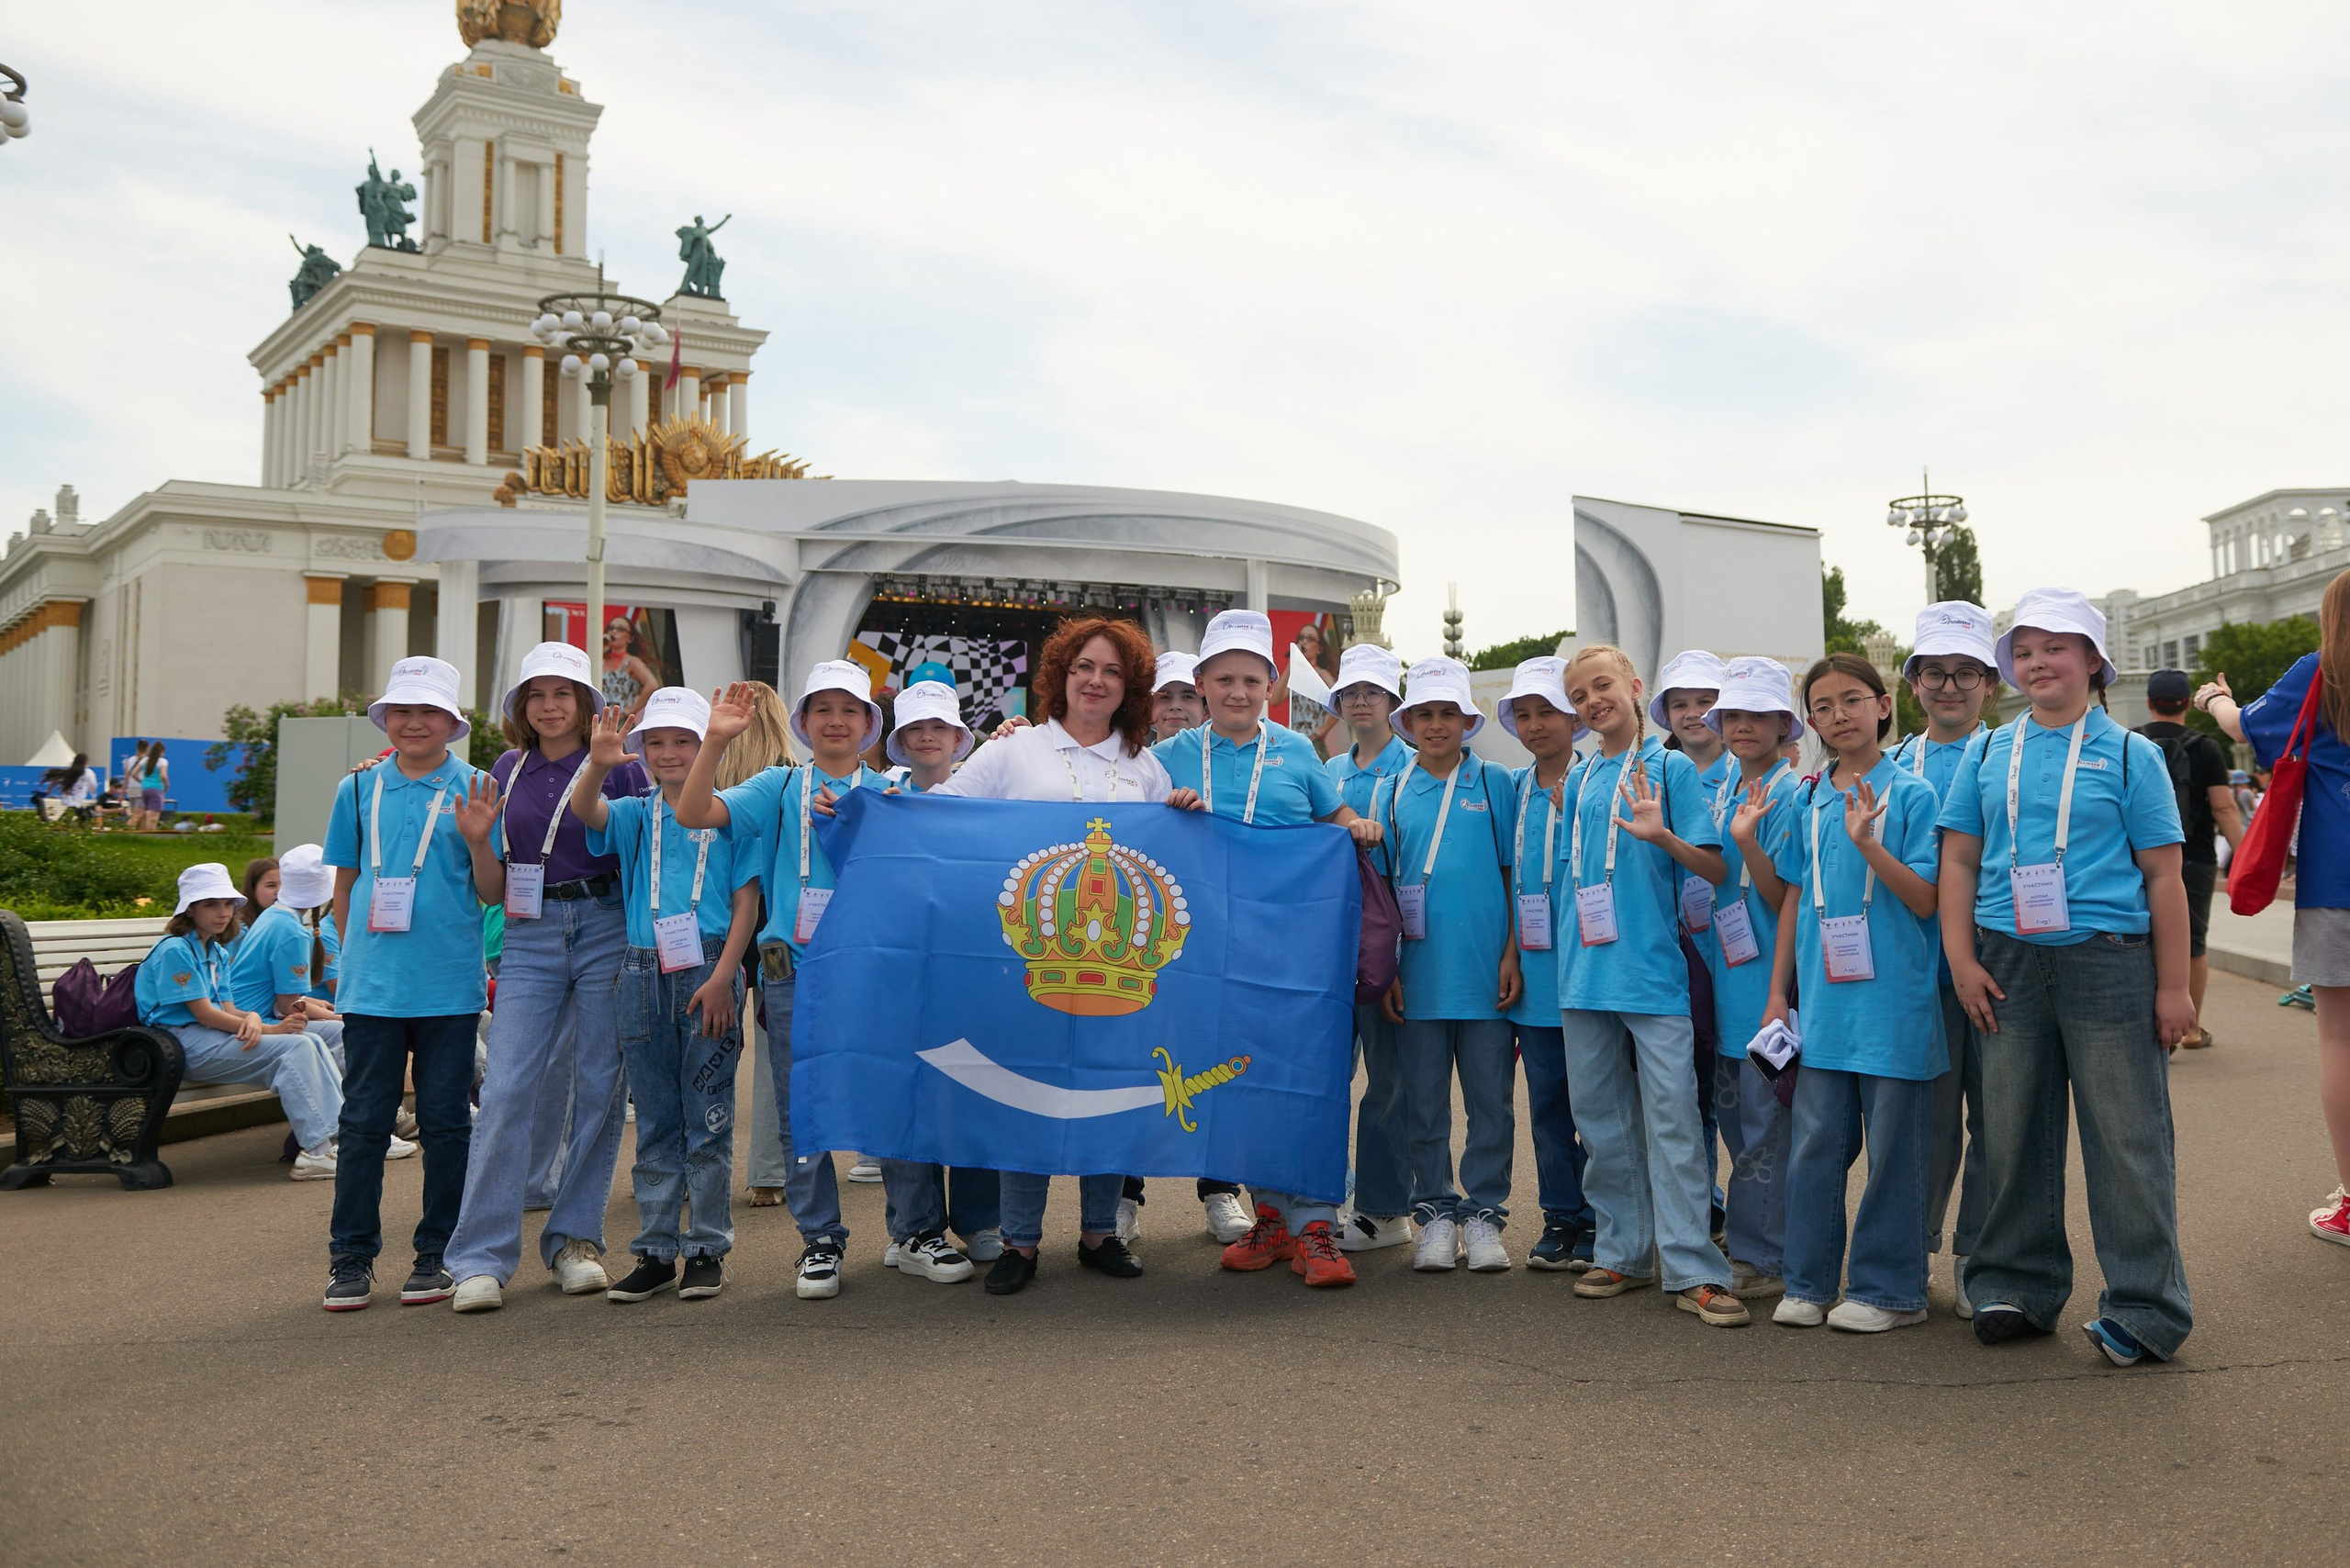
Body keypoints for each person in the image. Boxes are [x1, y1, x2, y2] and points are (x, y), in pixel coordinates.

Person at [1939, 588, 2193, 1366]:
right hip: (2006, 959)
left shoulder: (2129, 753)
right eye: (2023, 649)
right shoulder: (1987, 750)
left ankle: (2145, 1308)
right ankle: (2013, 1284)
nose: (2037, 661)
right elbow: (1959, 859)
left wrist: (2174, 987)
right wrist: (1962, 960)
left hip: (2109, 961)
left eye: (2056, 646)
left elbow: (2163, 877)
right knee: (2012, 1131)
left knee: (2127, 1137)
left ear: (2092, 661)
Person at [916, 616, 1174, 1294]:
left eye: (1113, 671)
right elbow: (941, 811)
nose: (1096, 680)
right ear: (1060, 674)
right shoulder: (1013, 752)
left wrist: (1184, 811)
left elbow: (1170, 860)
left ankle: (1099, 1233)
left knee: (1103, 1091)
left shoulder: (1145, 767)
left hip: (1115, 972)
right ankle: (1019, 1242)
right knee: (1024, 1094)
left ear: (1131, 688)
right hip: (1022, 964)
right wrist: (869, 806)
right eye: (1084, 666)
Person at [1161, 610, 1382, 1288]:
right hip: (1207, 957)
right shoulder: (1168, 756)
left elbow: (1335, 816)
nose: (1237, 691)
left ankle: (1317, 1222)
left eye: (1251, 680)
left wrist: (1358, 825)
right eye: (1223, 679)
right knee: (1240, 1079)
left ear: (1271, 686)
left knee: (1306, 1077)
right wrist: (1170, 807)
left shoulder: (1293, 752)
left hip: (1296, 953)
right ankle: (1273, 1218)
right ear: (1201, 684)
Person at [677, 661, 905, 1300]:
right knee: (799, 1110)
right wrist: (716, 740)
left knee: (886, 1096)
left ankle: (913, 1230)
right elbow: (695, 811)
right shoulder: (778, 786)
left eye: (850, 710)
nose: (836, 721)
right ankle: (820, 1241)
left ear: (869, 725)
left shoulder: (892, 790)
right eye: (822, 709)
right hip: (792, 974)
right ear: (802, 723)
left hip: (873, 970)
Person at [445, 642, 650, 1314]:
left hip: (607, 924)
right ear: (522, 708)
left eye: (564, 693)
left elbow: (651, 850)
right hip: (530, 934)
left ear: (588, 703)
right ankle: (479, 1258)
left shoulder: (622, 766)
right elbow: (493, 891)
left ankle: (574, 1243)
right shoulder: (508, 768)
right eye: (537, 695)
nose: (550, 706)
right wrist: (479, 841)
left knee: (598, 1086)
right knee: (504, 1089)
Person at [1556, 644, 1745, 1327]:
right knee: (1602, 1125)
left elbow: (1716, 870)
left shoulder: (1670, 769)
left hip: (1652, 975)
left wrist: (1663, 837)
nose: (1592, 702)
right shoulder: (1577, 780)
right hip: (1582, 977)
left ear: (1634, 686)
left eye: (1602, 686)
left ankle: (1694, 1266)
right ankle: (1623, 1250)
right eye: (1578, 696)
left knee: (1673, 1122)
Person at [1762, 654, 1945, 1333]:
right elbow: (1792, 899)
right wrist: (1779, 996)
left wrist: (1870, 847)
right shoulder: (1808, 796)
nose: (1838, 715)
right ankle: (1807, 1281)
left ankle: (1889, 1291)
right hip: (1826, 1008)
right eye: (1823, 706)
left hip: (1894, 1006)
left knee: (1896, 1152)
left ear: (1884, 704)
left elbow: (1928, 900)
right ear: (1809, 720)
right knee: (1815, 1147)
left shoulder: (1916, 794)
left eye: (1852, 700)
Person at [320, 656, 505, 1312]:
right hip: (372, 989)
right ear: (386, 719)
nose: (414, 722)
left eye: (429, 712)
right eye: (402, 711)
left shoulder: (478, 785)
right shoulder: (357, 789)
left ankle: (438, 1254)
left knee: (447, 1123)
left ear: (451, 723)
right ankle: (351, 1258)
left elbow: (493, 891)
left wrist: (482, 840)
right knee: (365, 1122)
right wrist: (355, 958)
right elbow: (342, 884)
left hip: (450, 986)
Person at [572, 689, 765, 1304]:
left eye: (683, 740)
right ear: (643, 752)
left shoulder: (732, 814)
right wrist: (600, 761)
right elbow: (585, 809)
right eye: (656, 742)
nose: (669, 752)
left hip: (709, 966)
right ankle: (656, 1249)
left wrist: (724, 977)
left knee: (707, 1115)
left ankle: (706, 1247)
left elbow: (746, 904)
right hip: (640, 968)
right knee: (654, 1118)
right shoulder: (633, 812)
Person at [2199, 567, 2350, 1250]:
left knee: (2341, 1038)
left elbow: (2246, 728)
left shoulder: (2324, 673)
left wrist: (2213, 698)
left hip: (2337, 881)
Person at [1378, 656, 1520, 1273]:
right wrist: (1389, 971)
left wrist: (1513, 953)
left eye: (1447, 713)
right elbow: (1383, 893)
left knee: (1492, 1104)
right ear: (1408, 721)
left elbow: (1517, 877)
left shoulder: (1497, 784)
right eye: (1425, 713)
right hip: (1419, 977)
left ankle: (1484, 1217)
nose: (1436, 725)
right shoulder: (1391, 788)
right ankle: (1433, 1213)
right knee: (1424, 1104)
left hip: (1488, 974)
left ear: (1467, 720)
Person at [1893, 600, 2000, 1314]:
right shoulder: (1891, 762)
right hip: (1912, 979)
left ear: (1990, 681)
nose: (1950, 686)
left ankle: (1981, 1259)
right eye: (1935, 672)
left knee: (1999, 1124)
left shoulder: (2011, 754)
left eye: (1965, 672)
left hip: (1996, 974)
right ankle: (1912, 1250)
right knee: (1923, 1129)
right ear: (1912, 683)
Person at [869, 680, 991, 1280]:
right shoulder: (880, 798)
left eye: (938, 727)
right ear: (899, 738)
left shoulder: (990, 798)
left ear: (956, 736)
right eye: (915, 728)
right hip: (901, 972)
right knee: (907, 1095)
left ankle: (978, 1222)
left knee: (972, 1090)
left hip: (972, 972)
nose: (926, 737)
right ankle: (914, 1228)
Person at [138, 863, 348, 1181]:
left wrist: (252, 1018)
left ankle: (337, 1139)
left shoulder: (215, 951)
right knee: (293, 1049)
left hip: (205, 1035)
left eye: (227, 905)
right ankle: (315, 1152)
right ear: (190, 910)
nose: (222, 913)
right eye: (210, 905)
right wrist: (270, 1029)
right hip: (176, 1043)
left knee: (311, 1040)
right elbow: (204, 1013)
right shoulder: (175, 950)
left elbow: (229, 1008)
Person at [1705, 656, 1806, 1301]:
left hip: (1768, 988)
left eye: (1757, 715)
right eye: (1733, 715)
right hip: (1722, 985)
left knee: (1767, 1137)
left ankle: (1765, 1259)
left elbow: (1781, 896)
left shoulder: (1793, 793)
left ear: (1782, 725)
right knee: (1737, 1129)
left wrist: (1746, 842)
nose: (1743, 726)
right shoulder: (1720, 787)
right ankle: (1758, 1248)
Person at [1497, 656, 1597, 1271]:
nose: (1536, 725)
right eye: (1525, 714)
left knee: (1601, 1105)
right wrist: (1511, 954)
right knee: (1550, 1103)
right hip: (1535, 975)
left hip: (1591, 976)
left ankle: (1605, 1217)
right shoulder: (1511, 789)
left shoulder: (1599, 780)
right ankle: (1562, 1217)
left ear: (1574, 717)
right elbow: (1511, 883)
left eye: (1549, 712)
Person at [1323, 642, 1417, 1252]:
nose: (1361, 701)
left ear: (1392, 702)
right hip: (1330, 948)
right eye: (1351, 692)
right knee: (1327, 1077)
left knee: (1389, 1083)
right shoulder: (1326, 773)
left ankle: (1386, 1212)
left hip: (1392, 949)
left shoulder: (1418, 767)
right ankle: (1323, 1197)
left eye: (1372, 692)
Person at [711, 680, 801, 1211]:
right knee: (775, 1046)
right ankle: (770, 1170)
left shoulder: (711, 778)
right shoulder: (790, 782)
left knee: (710, 1047)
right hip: (776, 923)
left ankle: (696, 1161)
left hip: (711, 921)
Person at [1650, 649, 1731, 1231]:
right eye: (1681, 704)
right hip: (1682, 953)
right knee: (1691, 1089)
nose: (1694, 713)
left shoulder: (1750, 771)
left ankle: (1747, 1215)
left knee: (1745, 1092)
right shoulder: (1657, 775)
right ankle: (1703, 1207)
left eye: (1706, 701)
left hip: (1739, 953)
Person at [2138, 668, 2244, 1051]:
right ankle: (2191, 1029)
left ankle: (2145, 1024)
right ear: (2187, 704)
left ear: (2150, 703)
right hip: (2195, 857)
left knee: (2141, 938)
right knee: (2193, 942)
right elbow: (2224, 807)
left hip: (2140, 858)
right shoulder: (2206, 748)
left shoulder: (2131, 742)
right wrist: (2246, 856)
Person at [601, 615, 660, 729]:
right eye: (611, 628)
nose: (614, 632)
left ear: (630, 638)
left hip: (621, 722)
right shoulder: (602, 661)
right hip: (601, 720)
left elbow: (652, 684)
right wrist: (602, 650)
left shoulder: (631, 661)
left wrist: (633, 709)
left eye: (620, 629)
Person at [1149, 651, 1205, 743]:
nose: (1175, 706)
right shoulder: (1130, 757)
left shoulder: (1222, 757)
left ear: (1206, 711)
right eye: (1164, 697)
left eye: (1188, 697)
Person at [129, 741, 170, 832]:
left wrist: (142, 781)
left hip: (145, 789)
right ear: (162, 751)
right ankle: (151, 833)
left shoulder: (144, 760)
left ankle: (144, 833)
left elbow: (133, 774)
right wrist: (167, 785)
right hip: (157, 788)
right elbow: (163, 776)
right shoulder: (162, 761)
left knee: (147, 812)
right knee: (153, 816)